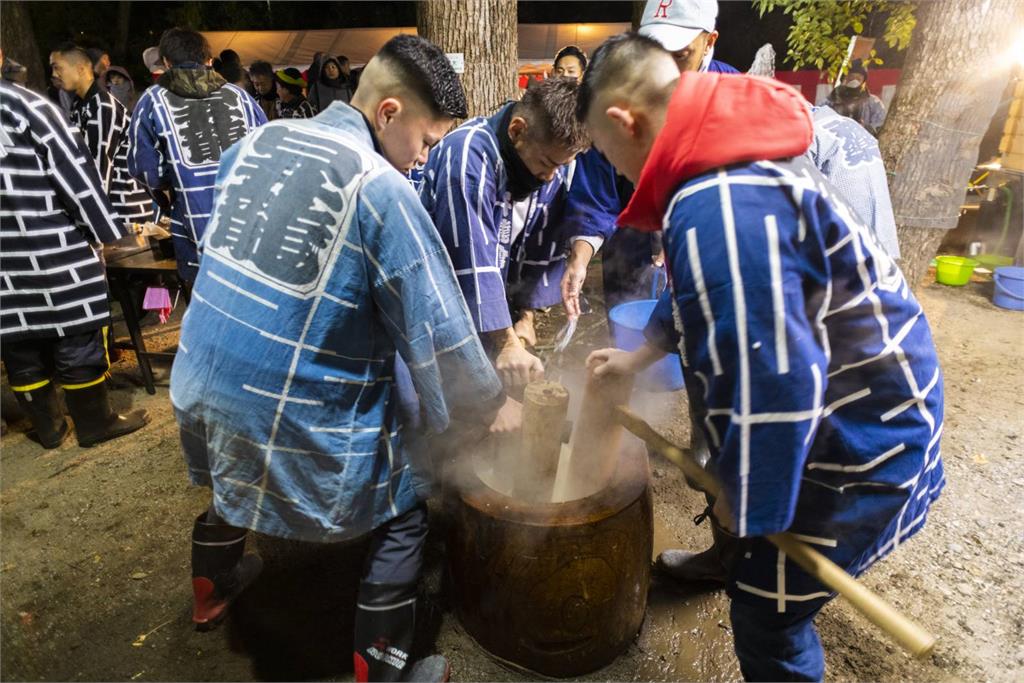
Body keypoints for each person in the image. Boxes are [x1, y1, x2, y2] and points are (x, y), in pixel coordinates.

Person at [578, 34, 944, 681]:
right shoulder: (718, 162)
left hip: (861, 435)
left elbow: (777, 382)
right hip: (845, 402)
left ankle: (754, 579)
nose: (620, 174)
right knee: (728, 482)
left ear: (623, 121)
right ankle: (739, 549)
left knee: (765, 613)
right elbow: (699, 294)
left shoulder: (716, 202)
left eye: (609, 157)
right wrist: (636, 362)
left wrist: (747, 504)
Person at [171, 34, 519, 683]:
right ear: (388, 112)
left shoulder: (255, 145)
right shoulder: (381, 187)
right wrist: (488, 405)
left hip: (198, 382)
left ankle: (210, 585)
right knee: (407, 501)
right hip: (283, 420)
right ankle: (381, 667)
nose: (422, 160)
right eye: (425, 141)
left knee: (235, 440)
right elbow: (438, 331)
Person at [0, 48, 150, 450]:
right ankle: (93, 422)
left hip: (4, 266)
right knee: (76, 331)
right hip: (50, 243)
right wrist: (106, 230)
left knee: (19, 340)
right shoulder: (26, 106)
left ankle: (49, 428)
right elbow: (76, 175)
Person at [561, 0, 740, 321]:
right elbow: (596, 190)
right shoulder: (620, 94)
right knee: (633, 344)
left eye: (680, 54)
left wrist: (682, 233)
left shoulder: (734, 95)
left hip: (716, 254)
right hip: (632, 250)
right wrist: (580, 258)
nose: (664, 68)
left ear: (709, 41)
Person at [417, 77, 589, 388]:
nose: (551, 177)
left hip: (485, 310)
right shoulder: (468, 157)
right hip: (434, 306)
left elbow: (539, 249)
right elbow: (470, 263)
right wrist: (508, 343)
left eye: (561, 166)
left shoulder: (550, 170)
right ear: (517, 131)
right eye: (548, 163)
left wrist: (524, 318)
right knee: (451, 399)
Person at [127, 27, 266, 282]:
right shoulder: (240, 97)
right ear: (209, 61)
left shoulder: (152, 101)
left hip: (194, 227)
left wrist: (169, 194)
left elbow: (146, 170)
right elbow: (268, 152)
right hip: (250, 228)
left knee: (206, 305)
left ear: (166, 63)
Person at [51, 43, 152, 227]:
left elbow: (99, 167)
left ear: (80, 69)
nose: (54, 74)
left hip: (124, 208)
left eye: (58, 67)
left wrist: (92, 219)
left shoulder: (102, 105)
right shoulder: (80, 104)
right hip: (113, 206)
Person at [824, 60, 887, 136]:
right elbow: (818, 122)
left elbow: (882, 123)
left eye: (858, 78)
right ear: (844, 78)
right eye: (851, 77)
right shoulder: (830, 101)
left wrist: (865, 129)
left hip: (862, 144)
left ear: (863, 81)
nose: (854, 81)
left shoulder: (873, 102)